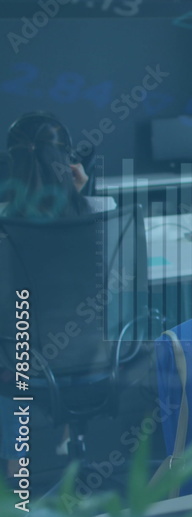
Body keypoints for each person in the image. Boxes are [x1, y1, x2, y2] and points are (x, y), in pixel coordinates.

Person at [0, 112, 116, 479]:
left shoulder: (5, 224)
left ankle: (16, 482)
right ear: (67, 162)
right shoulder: (102, 212)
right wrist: (78, 193)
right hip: (99, 363)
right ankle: (70, 438)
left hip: (23, 370)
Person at [0, 111, 114, 218]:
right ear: (67, 162)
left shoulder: (4, 217)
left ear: (12, 165)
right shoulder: (103, 208)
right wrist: (70, 194)